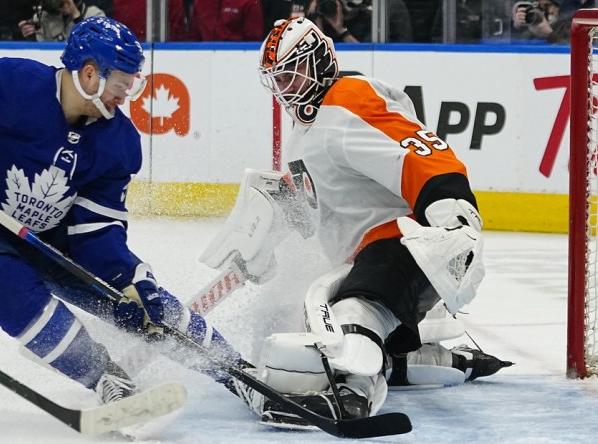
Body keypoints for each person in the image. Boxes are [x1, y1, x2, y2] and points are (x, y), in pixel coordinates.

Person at [0, 16, 247, 426]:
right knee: (5, 284)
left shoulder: (119, 141)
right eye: (121, 84)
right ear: (90, 74)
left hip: (50, 239)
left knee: (142, 303)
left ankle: (241, 374)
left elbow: (95, 231)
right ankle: (107, 379)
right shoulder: (16, 84)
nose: (125, 95)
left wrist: (132, 280)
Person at [199, 17, 511, 427]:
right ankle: (439, 360)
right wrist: (262, 239)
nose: (285, 90)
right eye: (278, 80)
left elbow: (417, 152)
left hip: (408, 240)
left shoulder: (346, 99)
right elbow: (315, 208)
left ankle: (351, 395)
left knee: (351, 316)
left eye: (292, 76)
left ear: (320, 62)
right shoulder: (303, 135)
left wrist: (452, 206)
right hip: (364, 256)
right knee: (293, 330)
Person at [307, 0, 413, 43]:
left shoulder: (368, 19)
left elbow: (364, 52)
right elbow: (317, 48)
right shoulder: (323, 17)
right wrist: (316, 17)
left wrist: (341, 30)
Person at [18, 0, 105, 42]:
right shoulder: (43, 17)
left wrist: (76, 16)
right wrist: (32, 37)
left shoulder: (95, 14)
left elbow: (98, 45)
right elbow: (39, 52)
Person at [187, 0, 265, 41]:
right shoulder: (201, 2)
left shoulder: (248, 2)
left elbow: (254, 40)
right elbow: (193, 37)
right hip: (204, 61)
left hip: (238, 60)